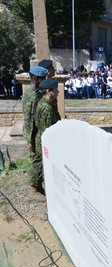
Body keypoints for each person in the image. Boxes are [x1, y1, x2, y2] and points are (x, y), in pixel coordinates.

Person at [31, 79, 62, 202]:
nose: (58, 91)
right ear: (49, 91)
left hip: (44, 141)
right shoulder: (46, 108)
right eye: (56, 89)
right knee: (47, 169)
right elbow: (48, 131)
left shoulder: (47, 104)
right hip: (47, 143)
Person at [22, 66, 48, 201]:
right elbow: (30, 120)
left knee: (39, 160)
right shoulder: (33, 96)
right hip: (34, 134)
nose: (45, 80)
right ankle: (33, 189)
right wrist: (31, 141)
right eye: (43, 78)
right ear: (38, 79)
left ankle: (38, 186)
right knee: (36, 161)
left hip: (36, 133)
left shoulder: (34, 92)